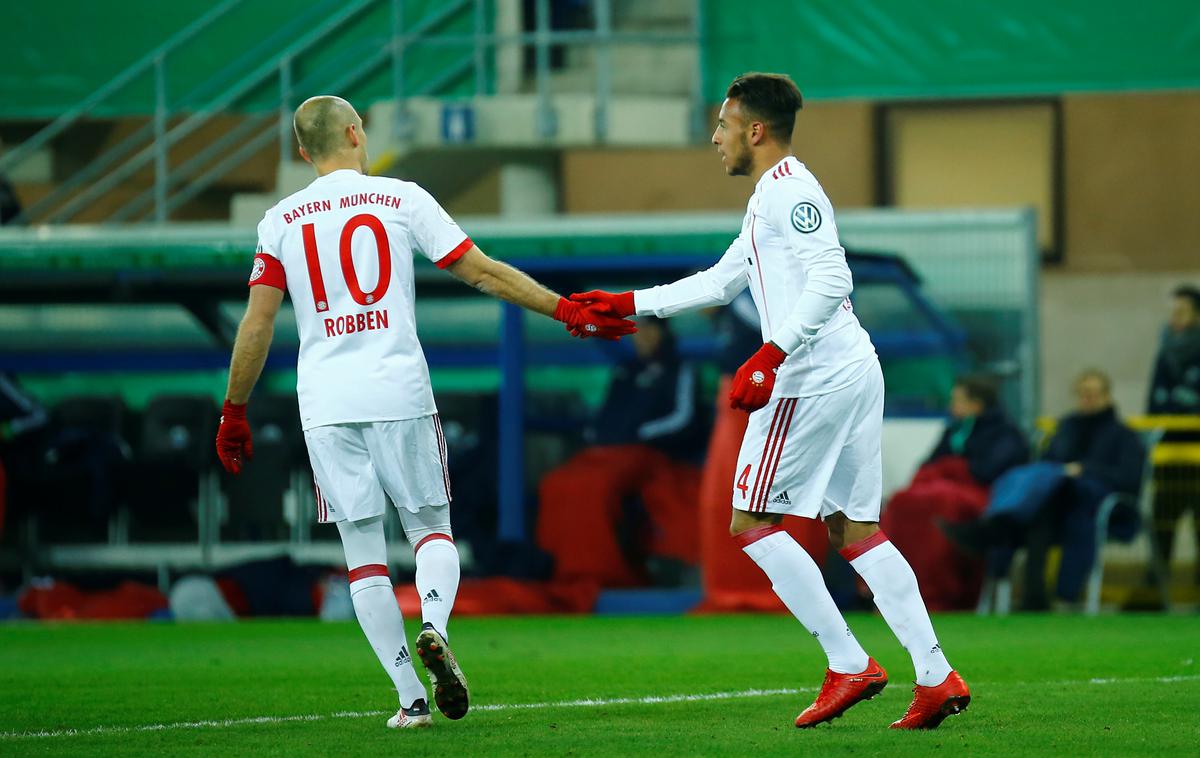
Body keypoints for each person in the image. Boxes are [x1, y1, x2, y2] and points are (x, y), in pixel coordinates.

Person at [215, 95, 636, 730]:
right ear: (357, 134)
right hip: (397, 390)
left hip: (325, 403)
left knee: (362, 556)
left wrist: (233, 411)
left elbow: (258, 321)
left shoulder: (280, 220)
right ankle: (434, 625)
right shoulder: (400, 198)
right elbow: (482, 273)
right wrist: (567, 310)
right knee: (431, 532)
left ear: (303, 152)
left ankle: (411, 698)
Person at [570, 72, 969, 730]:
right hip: (850, 367)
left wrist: (771, 353)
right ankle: (934, 675)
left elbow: (832, 274)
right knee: (856, 530)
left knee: (751, 522)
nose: (715, 137)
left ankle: (849, 662)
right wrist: (629, 304)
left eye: (724, 124)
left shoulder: (791, 194)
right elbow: (722, 281)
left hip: (812, 377)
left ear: (755, 130)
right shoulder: (771, 198)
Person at [943, 370, 1144, 610]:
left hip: (1095, 504)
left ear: (1107, 396)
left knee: (1045, 512)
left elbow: (1129, 479)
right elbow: (1048, 463)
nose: (1087, 399)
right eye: (1082, 394)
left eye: (1093, 394)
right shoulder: (1066, 429)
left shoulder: (1124, 436)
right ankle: (1034, 594)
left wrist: (1085, 470)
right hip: (1058, 504)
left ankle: (992, 529)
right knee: (1037, 513)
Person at [536, 316, 706, 588]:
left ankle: (604, 572)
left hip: (648, 454)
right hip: (606, 453)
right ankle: (562, 569)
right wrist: (598, 436)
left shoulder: (680, 369)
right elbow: (604, 416)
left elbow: (683, 418)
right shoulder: (624, 371)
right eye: (638, 333)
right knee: (556, 484)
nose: (643, 338)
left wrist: (638, 435)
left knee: (594, 486)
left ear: (663, 333)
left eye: (650, 331)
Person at [881, 375, 1029, 610]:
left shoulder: (1006, 433)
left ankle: (938, 593)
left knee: (939, 502)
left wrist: (951, 468)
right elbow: (929, 464)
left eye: (958, 400)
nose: (952, 406)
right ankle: (894, 591)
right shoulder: (954, 430)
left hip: (984, 499)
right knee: (903, 500)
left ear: (976, 404)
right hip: (946, 490)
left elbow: (989, 472)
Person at [1145, 285, 1200, 593]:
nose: (1174, 318)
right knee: (1161, 524)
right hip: (1169, 453)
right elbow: (1155, 404)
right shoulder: (1164, 352)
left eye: (1181, 312)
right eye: (1172, 312)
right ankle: (1154, 592)